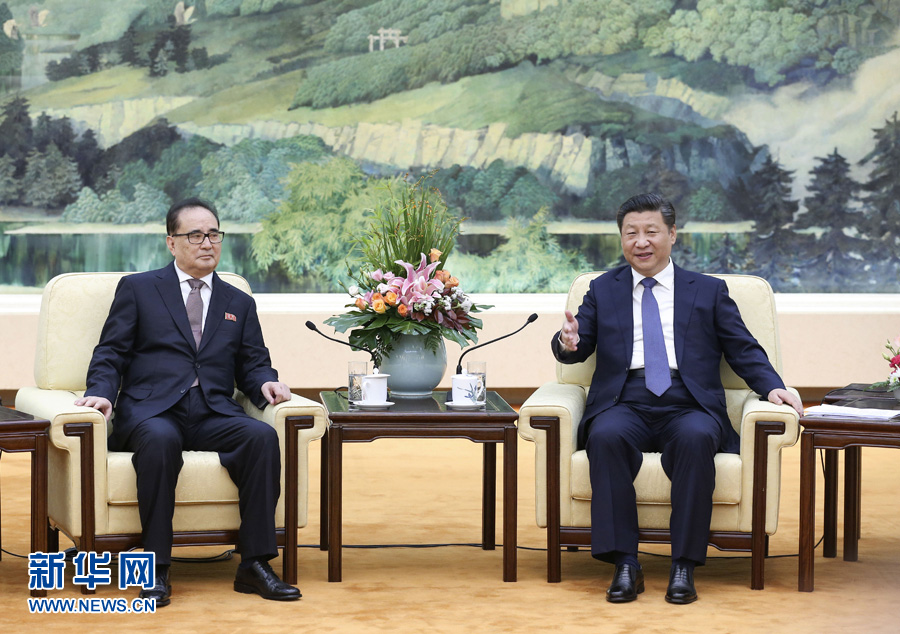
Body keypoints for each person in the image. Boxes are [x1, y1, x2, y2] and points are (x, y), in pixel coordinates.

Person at [552, 193, 802, 605]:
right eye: (631, 233)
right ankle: (625, 564)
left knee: (696, 438)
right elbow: (577, 343)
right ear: (621, 238)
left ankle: (683, 564)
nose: (641, 242)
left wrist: (773, 386)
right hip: (625, 400)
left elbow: (742, 347)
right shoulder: (603, 289)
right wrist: (567, 342)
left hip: (688, 402)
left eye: (651, 231)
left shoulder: (707, 290)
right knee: (605, 436)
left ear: (671, 234)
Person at [75, 197, 300, 606]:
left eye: (213, 234)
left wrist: (266, 383)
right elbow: (111, 352)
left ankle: (254, 564)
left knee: (261, 438)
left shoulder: (238, 302)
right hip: (154, 410)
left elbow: (253, 363)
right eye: (195, 235)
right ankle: (156, 566)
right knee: (160, 441)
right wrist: (102, 393)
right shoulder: (139, 289)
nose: (207, 243)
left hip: (213, 411)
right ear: (171, 242)